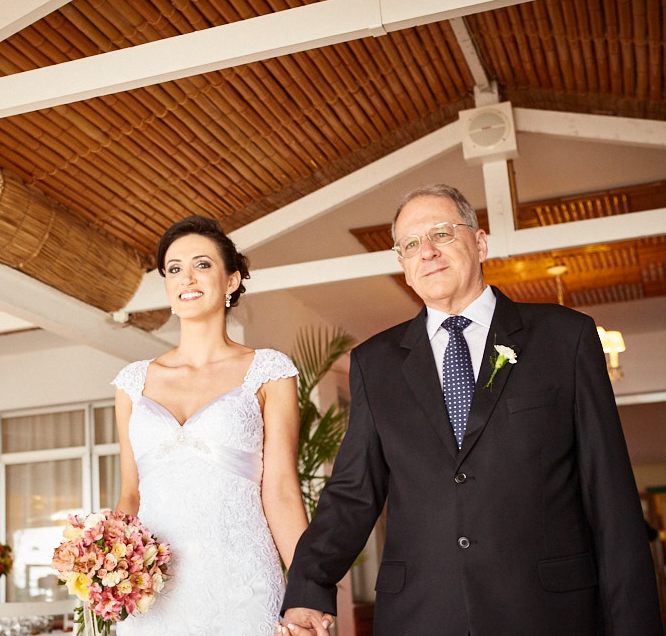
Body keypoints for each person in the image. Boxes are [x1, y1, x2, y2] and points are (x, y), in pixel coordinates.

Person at [279, 184, 663, 636]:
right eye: (411, 244)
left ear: (479, 242)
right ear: (402, 264)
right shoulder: (374, 363)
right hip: (421, 614)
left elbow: (609, 493)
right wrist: (308, 588)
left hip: (548, 613)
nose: (427, 252)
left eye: (442, 234)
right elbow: (352, 491)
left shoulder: (565, 337)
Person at [112, 215, 309, 635]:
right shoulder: (132, 382)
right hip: (153, 595)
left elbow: (282, 492)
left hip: (242, 588)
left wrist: (309, 593)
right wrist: (104, 572)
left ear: (232, 280)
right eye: (174, 268)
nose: (187, 277)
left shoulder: (269, 372)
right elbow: (130, 495)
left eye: (202, 264)